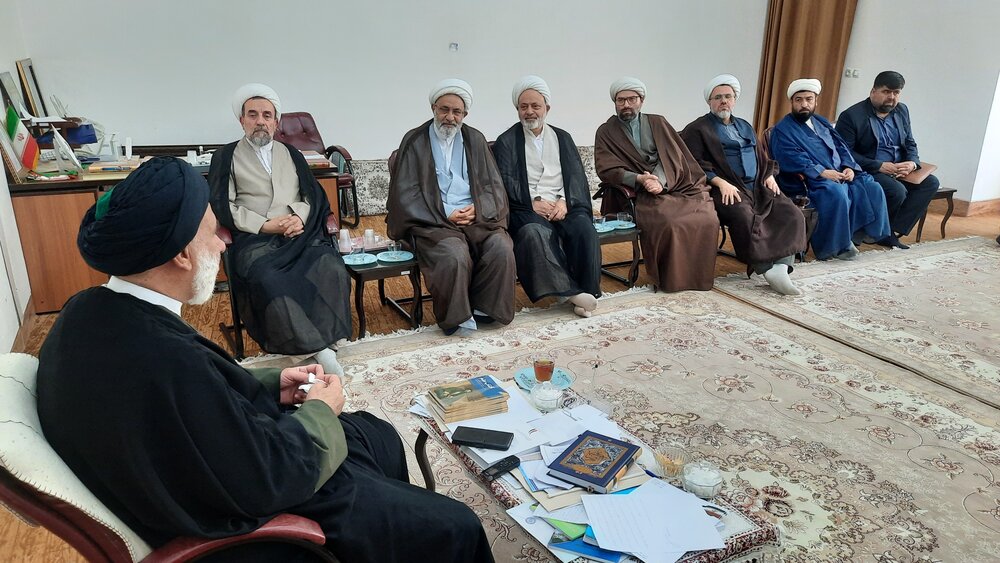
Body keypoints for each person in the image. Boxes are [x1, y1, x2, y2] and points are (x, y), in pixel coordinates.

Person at [38, 157, 494, 563]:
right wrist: (320, 410)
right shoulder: (165, 361)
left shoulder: (88, 311)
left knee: (377, 433)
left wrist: (270, 384)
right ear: (180, 254)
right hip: (266, 519)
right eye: (213, 233)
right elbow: (268, 477)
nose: (223, 244)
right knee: (455, 527)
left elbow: (199, 403)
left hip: (230, 468)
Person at [208, 83, 349, 374]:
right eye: (253, 115)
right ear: (242, 120)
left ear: (276, 121)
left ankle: (322, 340)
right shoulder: (226, 156)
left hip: (298, 234)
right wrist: (264, 225)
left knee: (331, 266)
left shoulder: (292, 153)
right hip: (255, 239)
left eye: (267, 115)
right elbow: (223, 205)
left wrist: (299, 217)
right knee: (268, 278)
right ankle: (315, 350)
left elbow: (312, 196)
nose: (260, 121)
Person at [387, 79, 516, 334]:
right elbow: (406, 193)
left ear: (464, 114)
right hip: (433, 220)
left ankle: (485, 309)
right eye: (444, 109)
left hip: (474, 216)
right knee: (453, 253)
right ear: (433, 108)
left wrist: (478, 209)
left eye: (457, 112)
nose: (450, 117)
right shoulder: (414, 140)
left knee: (501, 247)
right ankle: (456, 316)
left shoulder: (475, 139)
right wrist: (445, 212)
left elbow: (493, 186)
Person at [681, 74, 807, 295]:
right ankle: (765, 268)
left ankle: (781, 267)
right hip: (723, 188)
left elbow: (762, 156)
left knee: (791, 212)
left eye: (728, 96)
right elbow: (692, 164)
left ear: (734, 100)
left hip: (757, 185)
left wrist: (769, 175)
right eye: (718, 97)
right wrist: (720, 182)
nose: (723, 101)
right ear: (709, 102)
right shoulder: (697, 129)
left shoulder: (745, 125)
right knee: (744, 215)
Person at [594, 77, 720, 292]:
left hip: (673, 183)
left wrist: (659, 180)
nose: (626, 105)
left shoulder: (658, 122)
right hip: (638, 192)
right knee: (669, 220)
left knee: (707, 217)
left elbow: (673, 156)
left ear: (641, 101)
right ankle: (672, 279)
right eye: (621, 100)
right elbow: (606, 168)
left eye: (632, 99)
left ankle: (697, 277)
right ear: (614, 103)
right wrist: (640, 179)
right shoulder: (606, 131)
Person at [492, 76, 601, 316]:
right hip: (525, 207)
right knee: (533, 233)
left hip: (563, 204)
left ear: (547, 108)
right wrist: (531, 203)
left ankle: (588, 291)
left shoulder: (563, 137)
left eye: (535, 106)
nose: (529, 111)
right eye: (524, 106)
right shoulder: (506, 142)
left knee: (583, 229)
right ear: (517, 109)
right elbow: (505, 183)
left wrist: (564, 202)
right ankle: (571, 294)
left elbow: (576, 177)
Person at [770, 78, 895, 261]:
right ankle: (835, 247)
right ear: (792, 102)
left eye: (808, 99)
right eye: (799, 100)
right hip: (809, 180)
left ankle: (856, 234)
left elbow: (841, 147)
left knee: (871, 186)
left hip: (839, 172)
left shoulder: (821, 121)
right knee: (835, 193)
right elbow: (789, 157)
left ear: (816, 101)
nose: (804, 104)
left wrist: (849, 166)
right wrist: (821, 172)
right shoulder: (783, 129)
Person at [836, 71, 938, 243]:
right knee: (897, 191)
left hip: (900, 168)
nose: (891, 97)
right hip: (870, 169)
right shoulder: (852, 116)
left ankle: (891, 230)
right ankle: (881, 232)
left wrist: (912, 163)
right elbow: (844, 152)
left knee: (930, 183)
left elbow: (910, 142)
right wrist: (879, 165)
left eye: (896, 92)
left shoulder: (902, 110)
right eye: (886, 92)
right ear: (873, 91)